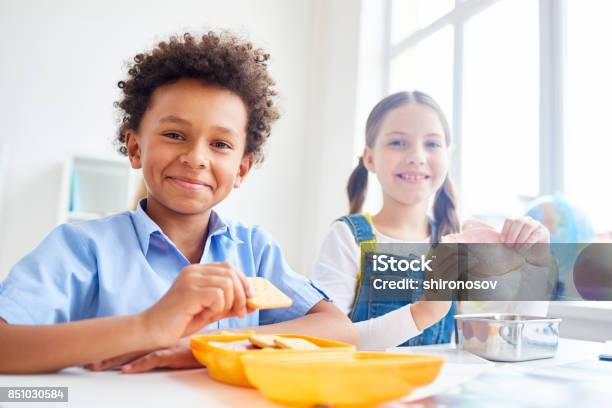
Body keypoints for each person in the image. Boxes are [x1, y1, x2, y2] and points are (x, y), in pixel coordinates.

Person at [0, 32, 357, 374]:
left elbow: (339, 329)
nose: (196, 157)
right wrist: (148, 327)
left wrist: (209, 345)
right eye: (174, 135)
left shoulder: (254, 249)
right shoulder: (81, 248)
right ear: (136, 147)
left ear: (242, 169)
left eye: (220, 144)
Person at [312, 91, 551, 350]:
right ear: (369, 158)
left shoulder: (462, 244)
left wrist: (536, 264)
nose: (417, 156)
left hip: (437, 389)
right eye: (397, 143)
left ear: (447, 157)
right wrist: (424, 312)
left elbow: (509, 338)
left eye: (432, 144)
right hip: (363, 389)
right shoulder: (347, 237)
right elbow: (325, 340)